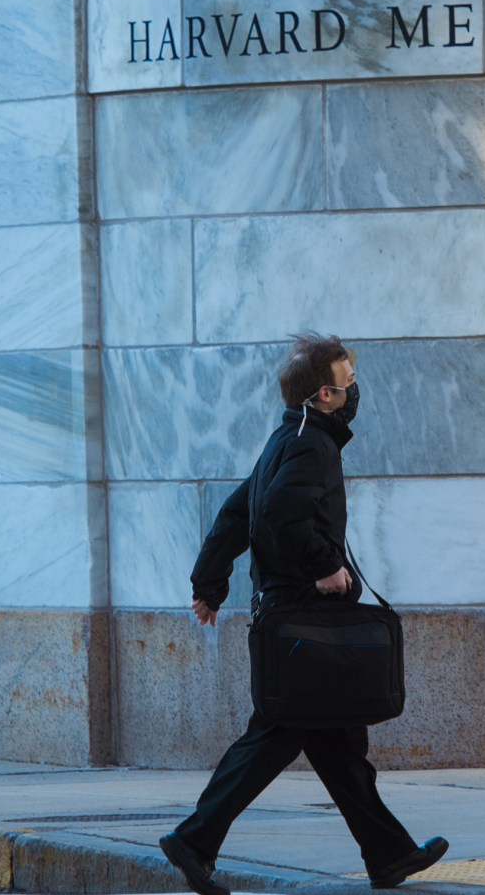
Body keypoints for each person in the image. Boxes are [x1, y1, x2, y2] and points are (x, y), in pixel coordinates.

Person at [159, 333, 448, 894]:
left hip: (295, 620)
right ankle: (194, 841)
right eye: (348, 383)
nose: (354, 390)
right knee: (277, 736)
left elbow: (235, 514)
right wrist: (323, 566)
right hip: (302, 619)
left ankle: (389, 856)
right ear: (323, 394)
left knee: (340, 747)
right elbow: (278, 512)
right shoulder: (310, 444)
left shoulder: (285, 439)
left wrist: (208, 584)